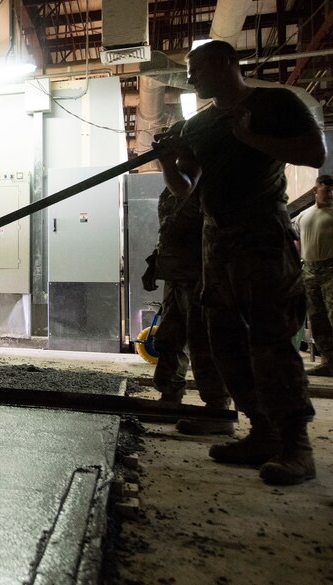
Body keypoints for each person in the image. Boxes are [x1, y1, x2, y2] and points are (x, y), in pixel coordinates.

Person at [156, 40, 326, 485]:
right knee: (224, 341)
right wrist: (165, 162)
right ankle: (261, 432)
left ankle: (296, 446)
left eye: (196, 68)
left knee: (271, 341)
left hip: (262, 237)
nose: (190, 78)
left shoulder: (274, 101)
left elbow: (315, 153)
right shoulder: (200, 125)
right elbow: (184, 190)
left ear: (227, 63)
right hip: (217, 242)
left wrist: (251, 138)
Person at [142, 155, 234, 435]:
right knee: (169, 338)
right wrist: (155, 264)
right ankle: (170, 397)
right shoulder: (171, 187)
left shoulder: (206, 185)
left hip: (200, 277)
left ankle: (217, 410)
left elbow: (215, 233)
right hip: (176, 276)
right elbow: (168, 229)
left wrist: (215, 277)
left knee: (203, 343)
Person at [296, 175, 333, 376]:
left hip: (330, 270)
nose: (331, 194)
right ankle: (329, 362)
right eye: (326, 190)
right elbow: (297, 244)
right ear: (315, 190)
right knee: (317, 318)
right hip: (309, 270)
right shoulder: (303, 216)